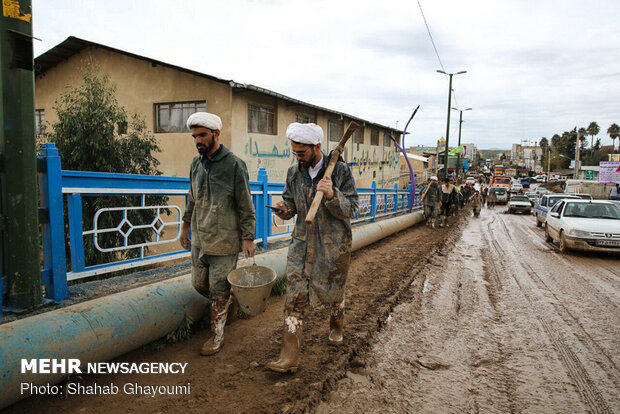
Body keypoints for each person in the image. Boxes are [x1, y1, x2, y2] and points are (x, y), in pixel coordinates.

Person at [267, 123, 359, 373]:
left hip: (332, 245)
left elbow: (351, 208)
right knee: (294, 296)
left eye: (301, 152)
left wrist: (331, 195)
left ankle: (337, 324)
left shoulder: (339, 171)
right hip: (301, 243)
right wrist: (285, 209)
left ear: (317, 147)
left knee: (334, 291)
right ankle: (289, 357)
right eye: (294, 151)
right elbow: (291, 202)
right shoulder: (293, 172)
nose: (297, 156)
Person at [180, 112, 256, 356]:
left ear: (216, 134)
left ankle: (217, 336)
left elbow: (246, 204)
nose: (198, 140)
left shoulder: (234, 164)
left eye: (202, 135)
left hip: (224, 239)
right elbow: (192, 197)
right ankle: (229, 301)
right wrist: (184, 226)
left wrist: (248, 237)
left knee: (218, 289)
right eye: (194, 136)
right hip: (200, 238)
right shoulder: (195, 164)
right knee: (198, 283)